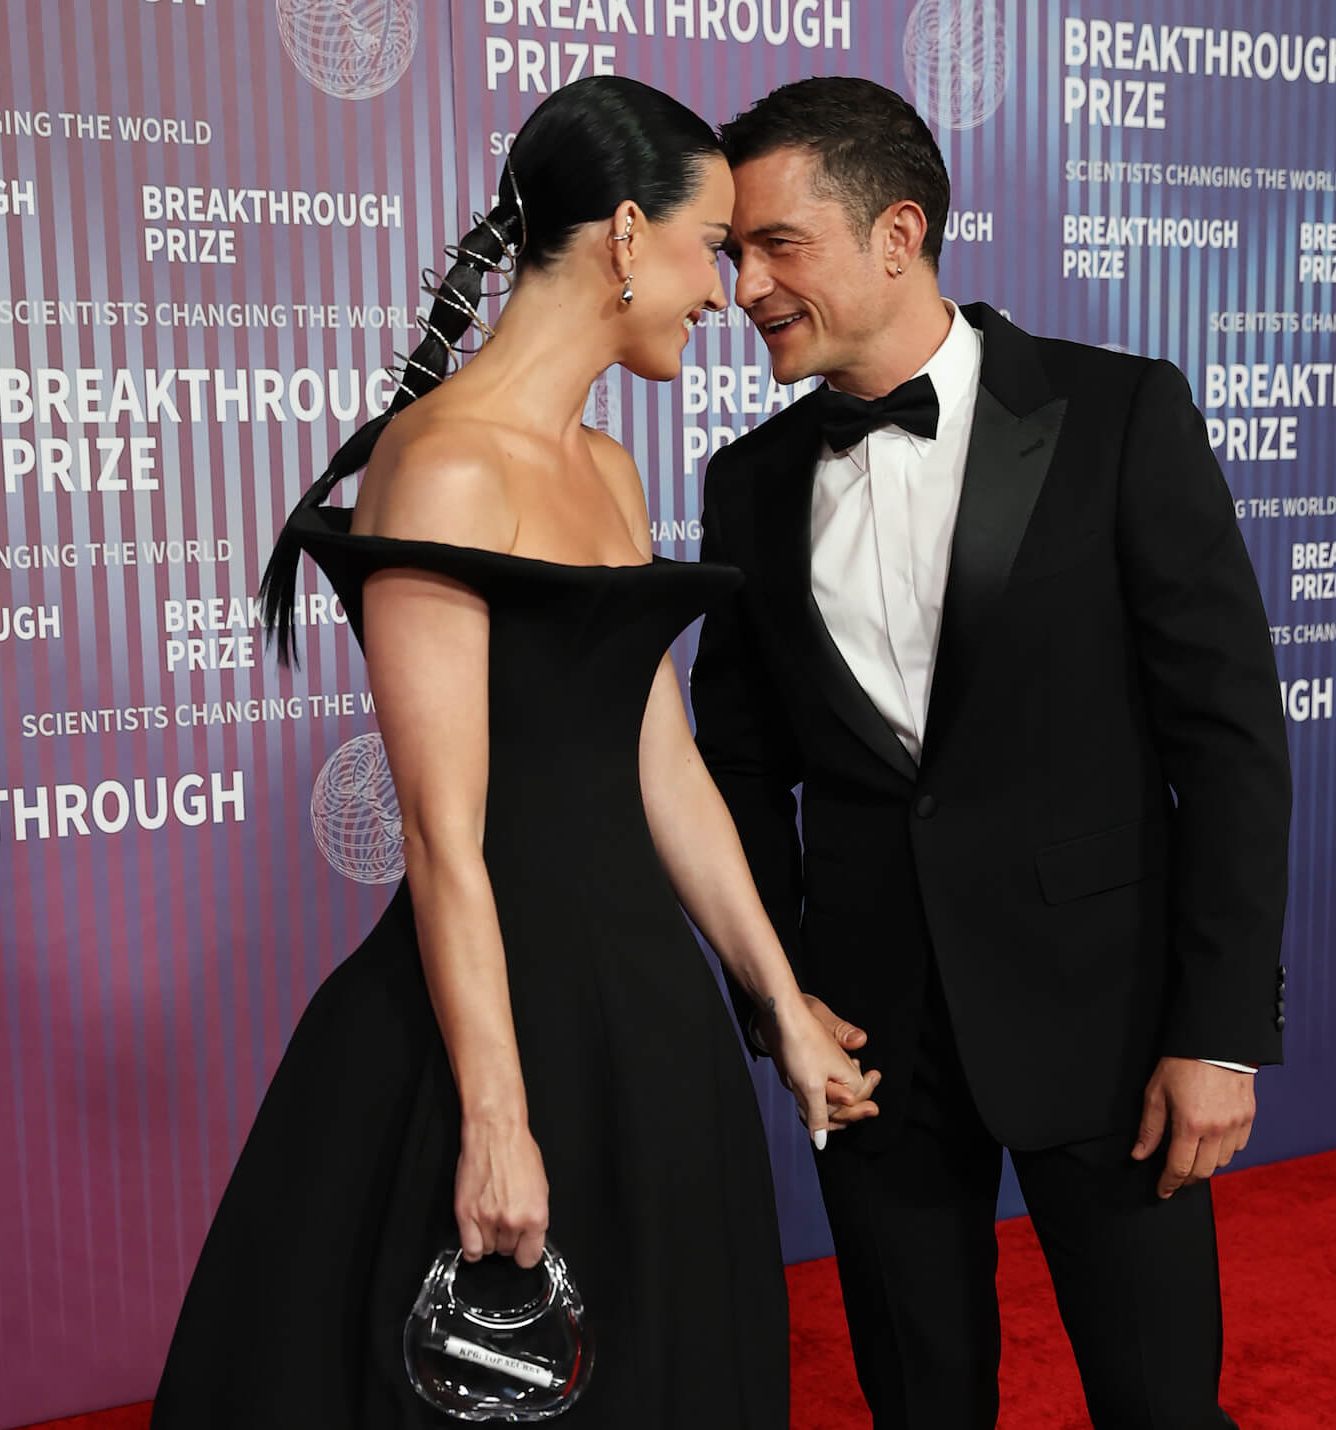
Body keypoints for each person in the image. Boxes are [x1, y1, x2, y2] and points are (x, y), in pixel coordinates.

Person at [151, 75, 877, 1429]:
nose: (722, 291)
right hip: (487, 1021)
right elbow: (443, 833)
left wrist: (776, 1000)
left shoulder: (609, 471)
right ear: (619, 236)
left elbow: (663, 761)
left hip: (644, 1019)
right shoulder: (439, 469)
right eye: (707, 247)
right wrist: (496, 1112)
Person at [691, 77, 1293, 1430]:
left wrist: (1215, 1030)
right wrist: (780, 997)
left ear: (896, 233)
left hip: (1107, 1018)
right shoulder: (748, 481)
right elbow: (728, 765)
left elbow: (1232, 740)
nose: (743, 286)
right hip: (869, 1042)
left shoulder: (1117, 413)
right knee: (919, 1398)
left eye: (776, 243)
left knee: (1157, 1403)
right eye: (731, 252)